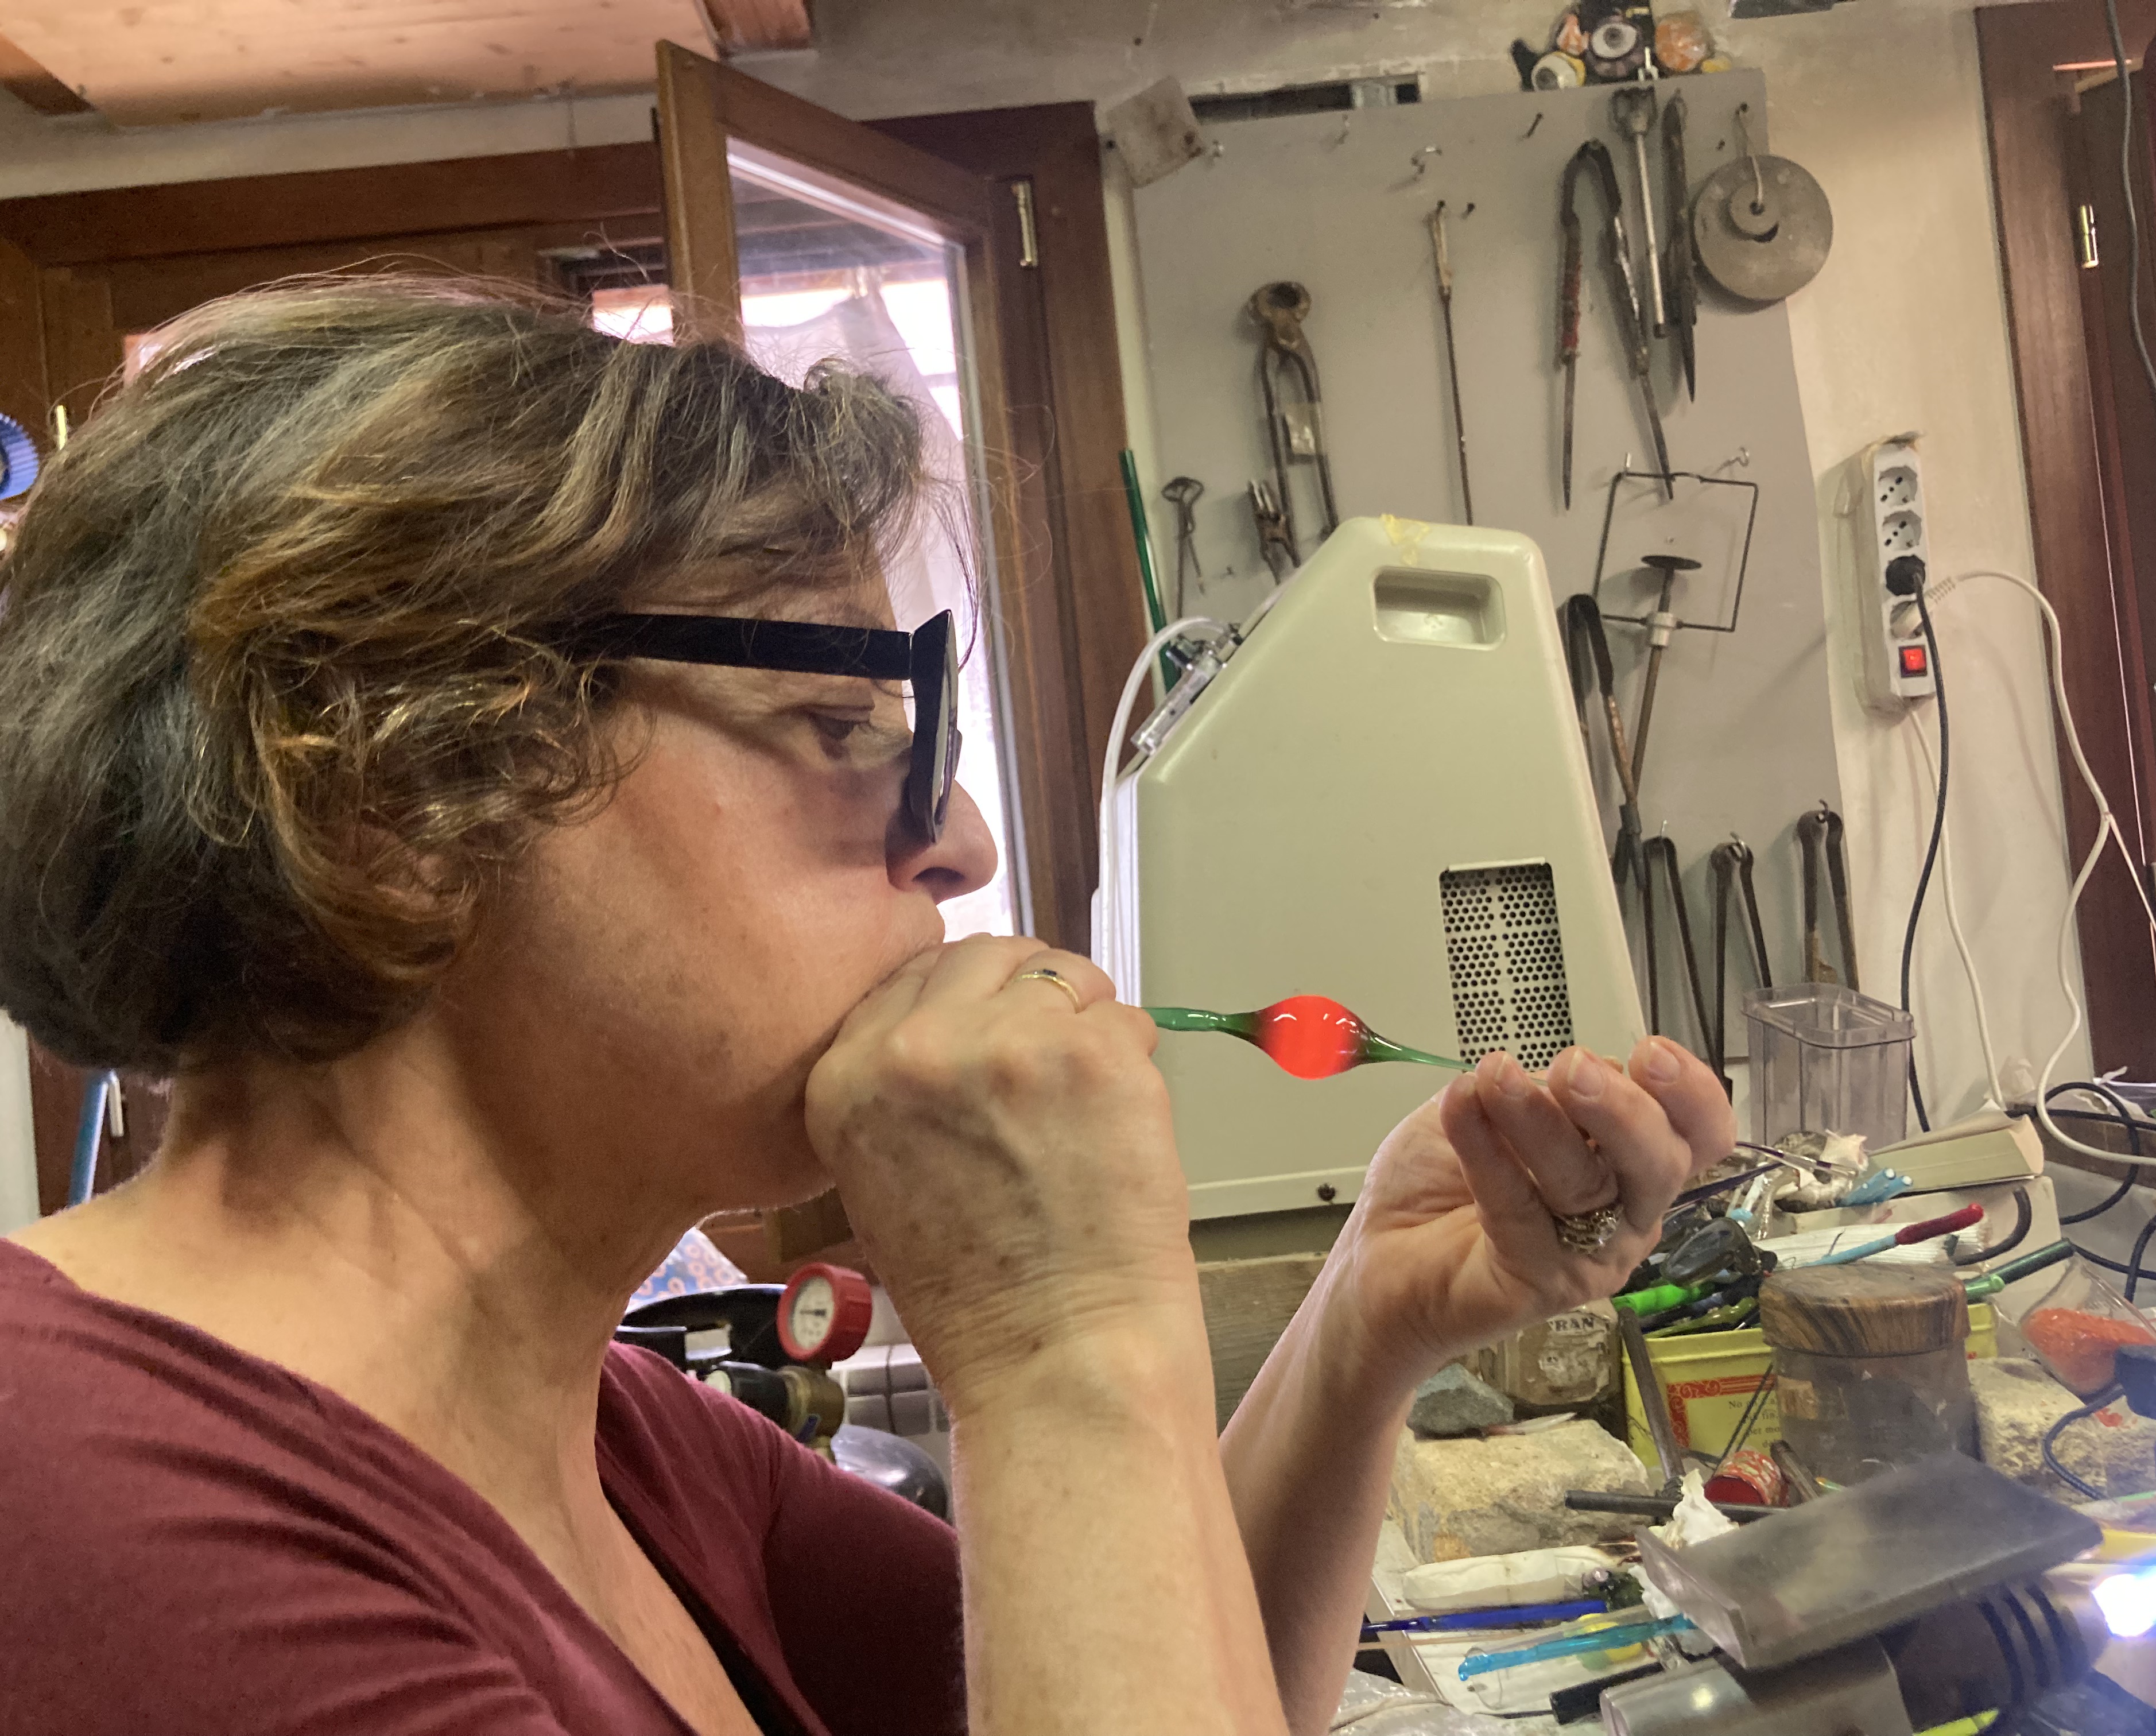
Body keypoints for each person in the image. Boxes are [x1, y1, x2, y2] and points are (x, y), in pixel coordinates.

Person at [0, 278, 1732, 1736]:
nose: (964, 841)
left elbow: (1173, 1689)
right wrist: (1054, 1342)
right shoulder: (95, 1521)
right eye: (847, 724)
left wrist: (1367, 1320)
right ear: (390, 785)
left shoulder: (613, 1436)